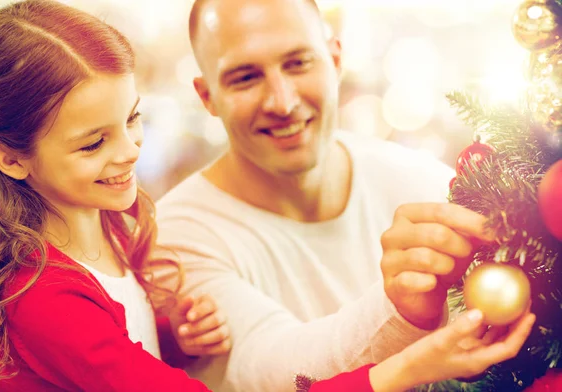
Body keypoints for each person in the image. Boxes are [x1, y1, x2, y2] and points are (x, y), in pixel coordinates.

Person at [150, 0, 532, 390]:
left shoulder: (425, 183)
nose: (282, 102)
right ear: (207, 96)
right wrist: (401, 310)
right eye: (245, 77)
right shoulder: (176, 234)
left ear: (334, 59)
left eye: (298, 63)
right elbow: (275, 375)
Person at [0, 1, 231, 391]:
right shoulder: (43, 297)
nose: (130, 151)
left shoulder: (107, 222)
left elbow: (119, 355)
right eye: (93, 144)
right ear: (13, 160)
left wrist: (175, 339)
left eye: (132, 119)